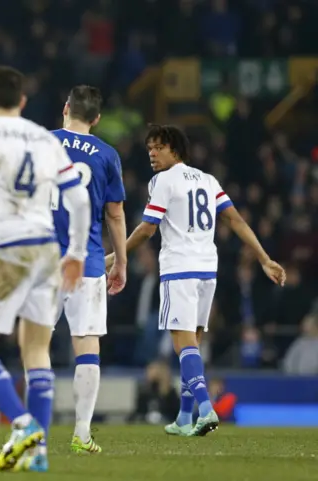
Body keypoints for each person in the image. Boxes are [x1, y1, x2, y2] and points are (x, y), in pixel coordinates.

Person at [106, 124, 286, 436]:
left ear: (174, 149)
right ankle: (184, 417)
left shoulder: (162, 180)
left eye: (158, 147)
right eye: (149, 147)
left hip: (179, 267)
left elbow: (148, 228)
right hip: (207, 268)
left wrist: (116, 256)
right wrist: (264, 257)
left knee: (182, 343)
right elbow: (235, 220)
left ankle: (205, 408)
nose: (151, 153)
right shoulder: (208, 179)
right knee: (194, 344)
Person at [0, 66, 91, 472]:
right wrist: (76, 252)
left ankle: (22, 425)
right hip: (47, 250)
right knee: (36, 350)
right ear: (22, 101)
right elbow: (81, 200)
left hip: (7, 247)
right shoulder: (42, 136)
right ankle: (39, 454)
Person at [47, 85, 127, 454]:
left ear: (66, 108)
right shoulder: (107, 155)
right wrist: (121, 262)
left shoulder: (39, 144)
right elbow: (114, 213)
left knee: (35, 344)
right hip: (88, 260)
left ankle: (29, 427)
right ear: (96, 118)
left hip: (42, 259)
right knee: (87, 344)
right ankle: (81, 432)